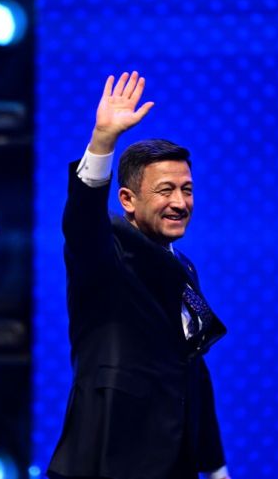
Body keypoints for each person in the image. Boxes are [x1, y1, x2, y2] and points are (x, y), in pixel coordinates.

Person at [47, 72, 231, 479]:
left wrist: (214, 466)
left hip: (173, 463)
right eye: (166, 190)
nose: (180, 202)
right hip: (109, 462)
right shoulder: (106, 254)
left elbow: (191, 369)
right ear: (127, 200)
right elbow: (82, 220)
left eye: (187, 189)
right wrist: (102, 140)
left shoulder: (182, 266)